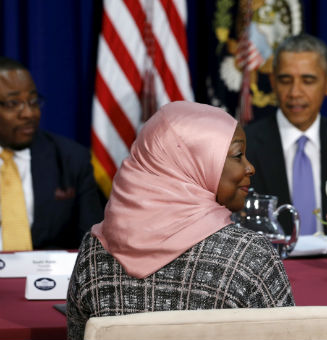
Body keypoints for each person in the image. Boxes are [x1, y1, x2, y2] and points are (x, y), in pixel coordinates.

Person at [66, 101, 295, 340]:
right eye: (238, 155)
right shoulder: (248, 254)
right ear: (192, 164)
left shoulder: (93, 250)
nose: (250, 168)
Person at [245, 33, 327, 236]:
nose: (295, 92)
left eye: (308, 80)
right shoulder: (244, 147)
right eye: (285, 80)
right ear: (272, 82)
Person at [0, 57, 103, 250]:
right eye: (13, 103)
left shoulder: (71, 159)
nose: (29, 113)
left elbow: (92, 246)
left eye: (32, 101)